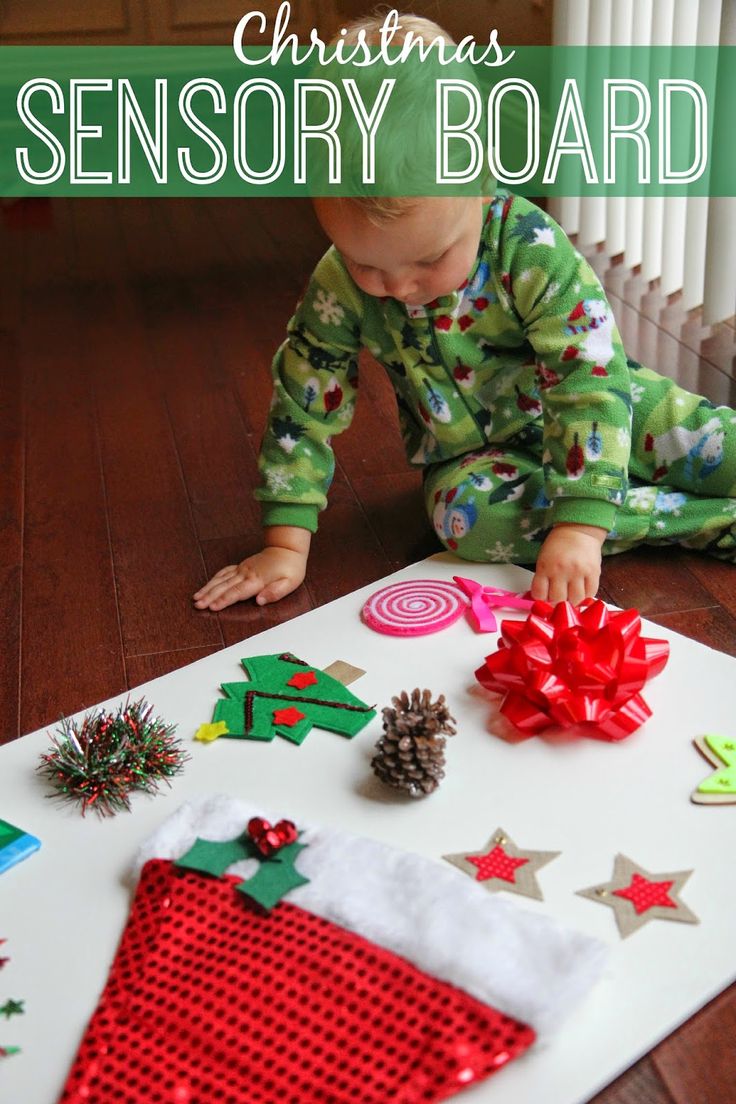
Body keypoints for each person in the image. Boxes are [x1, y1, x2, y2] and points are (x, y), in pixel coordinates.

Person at [194, 13, 736, 613]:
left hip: (605, 410)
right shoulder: (337, 286)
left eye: (429, 258)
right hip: (475, 464)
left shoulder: (528, 246)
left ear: (482, 182)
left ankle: (603, 502)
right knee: (467, 526)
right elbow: (303, 404)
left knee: (713, 444)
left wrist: (579, 525)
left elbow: (588, 378)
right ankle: (707, 521)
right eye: (364, 263)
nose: (399, 287)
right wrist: (285, 546)